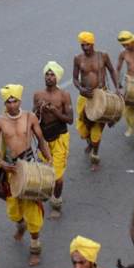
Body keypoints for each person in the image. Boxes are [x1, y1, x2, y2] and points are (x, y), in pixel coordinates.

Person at [0, 84, 52, 266]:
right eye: (8, 102)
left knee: (33, 209)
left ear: (20, 100)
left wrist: (48, 159)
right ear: (5, 102)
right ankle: (20, 224)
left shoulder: (30, 117)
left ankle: (35, 246)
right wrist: (2, 163)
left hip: (29, 165)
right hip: (10, 167)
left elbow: (41, 140)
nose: (12, 105)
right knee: (13, 211)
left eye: (15, 101)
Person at [72, 32, 119, 170]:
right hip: (86, 97)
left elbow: (111, 71)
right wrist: (81, 89)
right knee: (85, 127)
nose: (85, 47)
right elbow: (75, 78)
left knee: (97, 128)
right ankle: (90, 141)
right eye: (82, 44)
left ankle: (95, 157)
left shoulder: (102, 56)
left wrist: (117, 88)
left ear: (93, 44)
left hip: (101, 97)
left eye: (87, 44)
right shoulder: (77, 59)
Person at [34, 62, 74, 217]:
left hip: (60, 138)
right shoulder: (38, 95)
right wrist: (38, 110)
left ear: (57, 78)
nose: (49, 77)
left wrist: (54, 111)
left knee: (57, 176)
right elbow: (35, 118)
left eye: (52, 75)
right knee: (44, 171)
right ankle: (45, 193)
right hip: (44, 139)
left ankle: (56, 204)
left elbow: (70, 119)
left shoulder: (64, 95)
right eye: (47, 74)